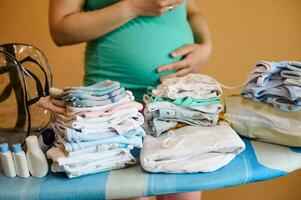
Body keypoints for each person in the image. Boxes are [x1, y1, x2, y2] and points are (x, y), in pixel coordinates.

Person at [49, 0, 211, 199]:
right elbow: (60, 30)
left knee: (183, 192)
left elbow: (191, 10)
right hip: (111, 110)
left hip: (178, 102)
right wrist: (134, 7)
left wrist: (206, 45)